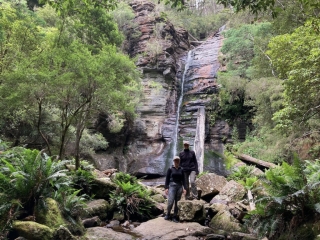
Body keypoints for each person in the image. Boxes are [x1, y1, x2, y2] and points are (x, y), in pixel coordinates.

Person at [164, 156, 187, 223]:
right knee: (170, 201)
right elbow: (167, 179)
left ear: (179, 161)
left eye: (178, 160)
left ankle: (174, 216)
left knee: (177, 203)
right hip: (172, 186)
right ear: (173, 161)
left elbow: (184, 180)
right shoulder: (170, 169)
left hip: (179, 186)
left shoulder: (181, 169)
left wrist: (185, 188)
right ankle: (168, 214)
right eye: (175, 160)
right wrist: (166, 187)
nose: (176, 161)